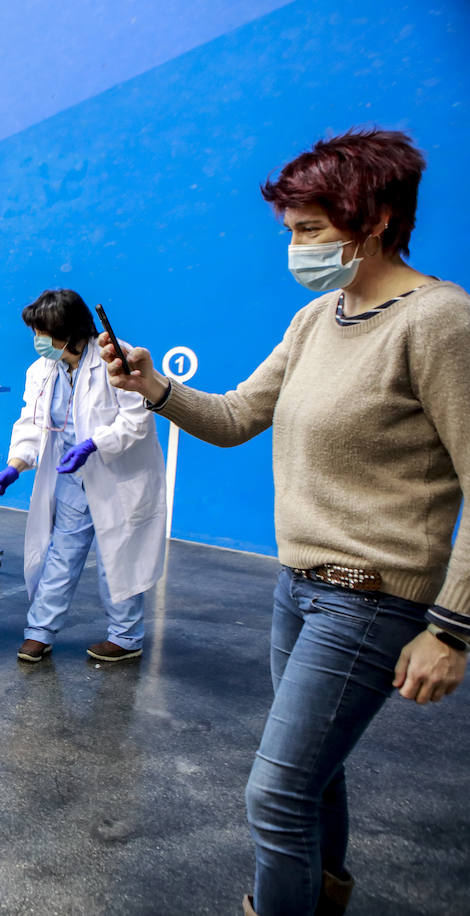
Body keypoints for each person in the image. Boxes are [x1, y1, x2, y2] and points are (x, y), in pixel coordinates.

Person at [100, 128, 469, 916]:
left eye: (310, 230)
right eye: (291, 230)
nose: (295, 248)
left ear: (372, 222)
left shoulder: (439, 323)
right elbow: (236, 416)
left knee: (275, 794)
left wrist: (452, 630)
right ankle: (321, 895)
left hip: (372, 599)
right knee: (313, 775)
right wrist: (153, 386)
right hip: (297, 590)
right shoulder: (316, 321)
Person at [0, 289, 167, 663]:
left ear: (68, 331)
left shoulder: (115, 358)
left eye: (42, 332)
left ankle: (126, 637)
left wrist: (92, 445)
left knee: (117, 556)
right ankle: (40, 631)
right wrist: (15, 465)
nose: (37, 341)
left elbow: (135, 420)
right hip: (71, 479)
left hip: (116, 477)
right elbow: (31, 422)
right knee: (61, 555)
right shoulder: (42, 369)